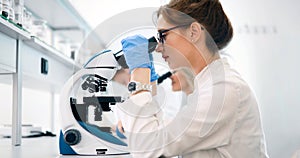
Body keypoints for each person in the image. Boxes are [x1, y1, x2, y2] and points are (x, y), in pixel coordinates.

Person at [117, 0, 269, 157]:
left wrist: (139, 73)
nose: (158, 47)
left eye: (163, 35)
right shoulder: (207, 88)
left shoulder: (223, 90)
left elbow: (148, 149)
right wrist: (148, 88)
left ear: (194, 32)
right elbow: (166, 136)